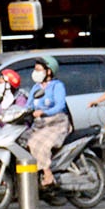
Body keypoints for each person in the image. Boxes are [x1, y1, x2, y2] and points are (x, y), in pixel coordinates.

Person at [25, 55, 71, 200]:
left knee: (37, 143)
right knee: (22, 140)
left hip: (56, 122)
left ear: (49, 71)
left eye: (39, 69)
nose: (35, 71)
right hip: (39, 124)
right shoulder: (35, 87)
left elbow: (60, 105)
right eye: (35, 69)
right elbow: (29, 105)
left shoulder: (57, 86)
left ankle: (47, 174)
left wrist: (45, 112)